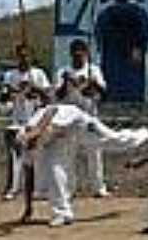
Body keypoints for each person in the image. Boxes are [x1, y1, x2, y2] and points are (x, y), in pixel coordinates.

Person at [17, 104, 148, 227]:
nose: (33, 147)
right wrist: (28, 208)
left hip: (78, 124)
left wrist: (35, 132)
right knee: (54, 169)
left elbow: (51, 110)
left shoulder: (35, 122)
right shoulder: (28, 147)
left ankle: (143, 134)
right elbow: (29, 176)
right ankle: (63, 213)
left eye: (33, 142)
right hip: (58, 138)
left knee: (114, 140)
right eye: (31, 145)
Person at [54, 39, 109, 198]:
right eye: (75, 52)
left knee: (94, 153)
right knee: (69, 154)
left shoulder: (93, 70)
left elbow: (103, 93)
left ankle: (98, 187)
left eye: (82, 52)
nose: (78, 56)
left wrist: (94, 84)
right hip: (69, 118)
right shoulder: (63, 71)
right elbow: (58, 95)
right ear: (71, 54)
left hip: (89, 116)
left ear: (86, 53)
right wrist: (66, 82)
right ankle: (69, 188)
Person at [0, 44, 51, 200]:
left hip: (34, 121)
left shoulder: (39, 74)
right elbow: (3, 97)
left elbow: (48, 96)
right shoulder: (10, 75)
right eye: (21, 56)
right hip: (15, 120)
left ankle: (38, 189)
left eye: (27, 56)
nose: (24, 59)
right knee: (15, 155)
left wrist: (34, 88)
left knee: (36, 156)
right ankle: (12, 188)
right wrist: (13, 90)